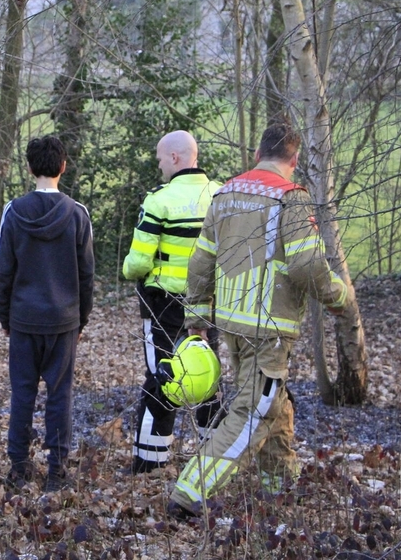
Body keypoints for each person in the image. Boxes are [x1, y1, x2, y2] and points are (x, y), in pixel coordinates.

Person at [168, 122, 350, 516]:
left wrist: (197, 316)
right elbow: (307, 265)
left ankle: (280, 487)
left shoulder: (226, 193)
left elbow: (201, 260)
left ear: (257, 154)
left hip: (232, 325)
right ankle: (189, 493)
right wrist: (337, 296)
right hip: (269, 330)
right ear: (295, 159)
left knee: (275, 405)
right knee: (253, 413)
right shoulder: (292, 199)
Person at [0, 136, 95, 492]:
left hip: (24, 319)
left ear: (29, 167)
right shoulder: (78, 214)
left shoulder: (13, 211)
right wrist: (80, 320)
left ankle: (19, 468)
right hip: (63, 321)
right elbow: (86, 275)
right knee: (60, 394)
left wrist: (6, 317)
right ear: (63, 167)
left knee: (22, 393)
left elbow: (3, 270)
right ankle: (57, 471)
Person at [122, 130, 223, 474]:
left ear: (176, 158)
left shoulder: (158, 200)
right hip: (210, 302)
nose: (160, 165)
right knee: (207, 376)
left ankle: (149, 464)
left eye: (161, 159)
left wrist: (128, 269)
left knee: (162, 377)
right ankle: (215, 460)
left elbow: (137, 262)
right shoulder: (220, 196)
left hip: (164, 304)